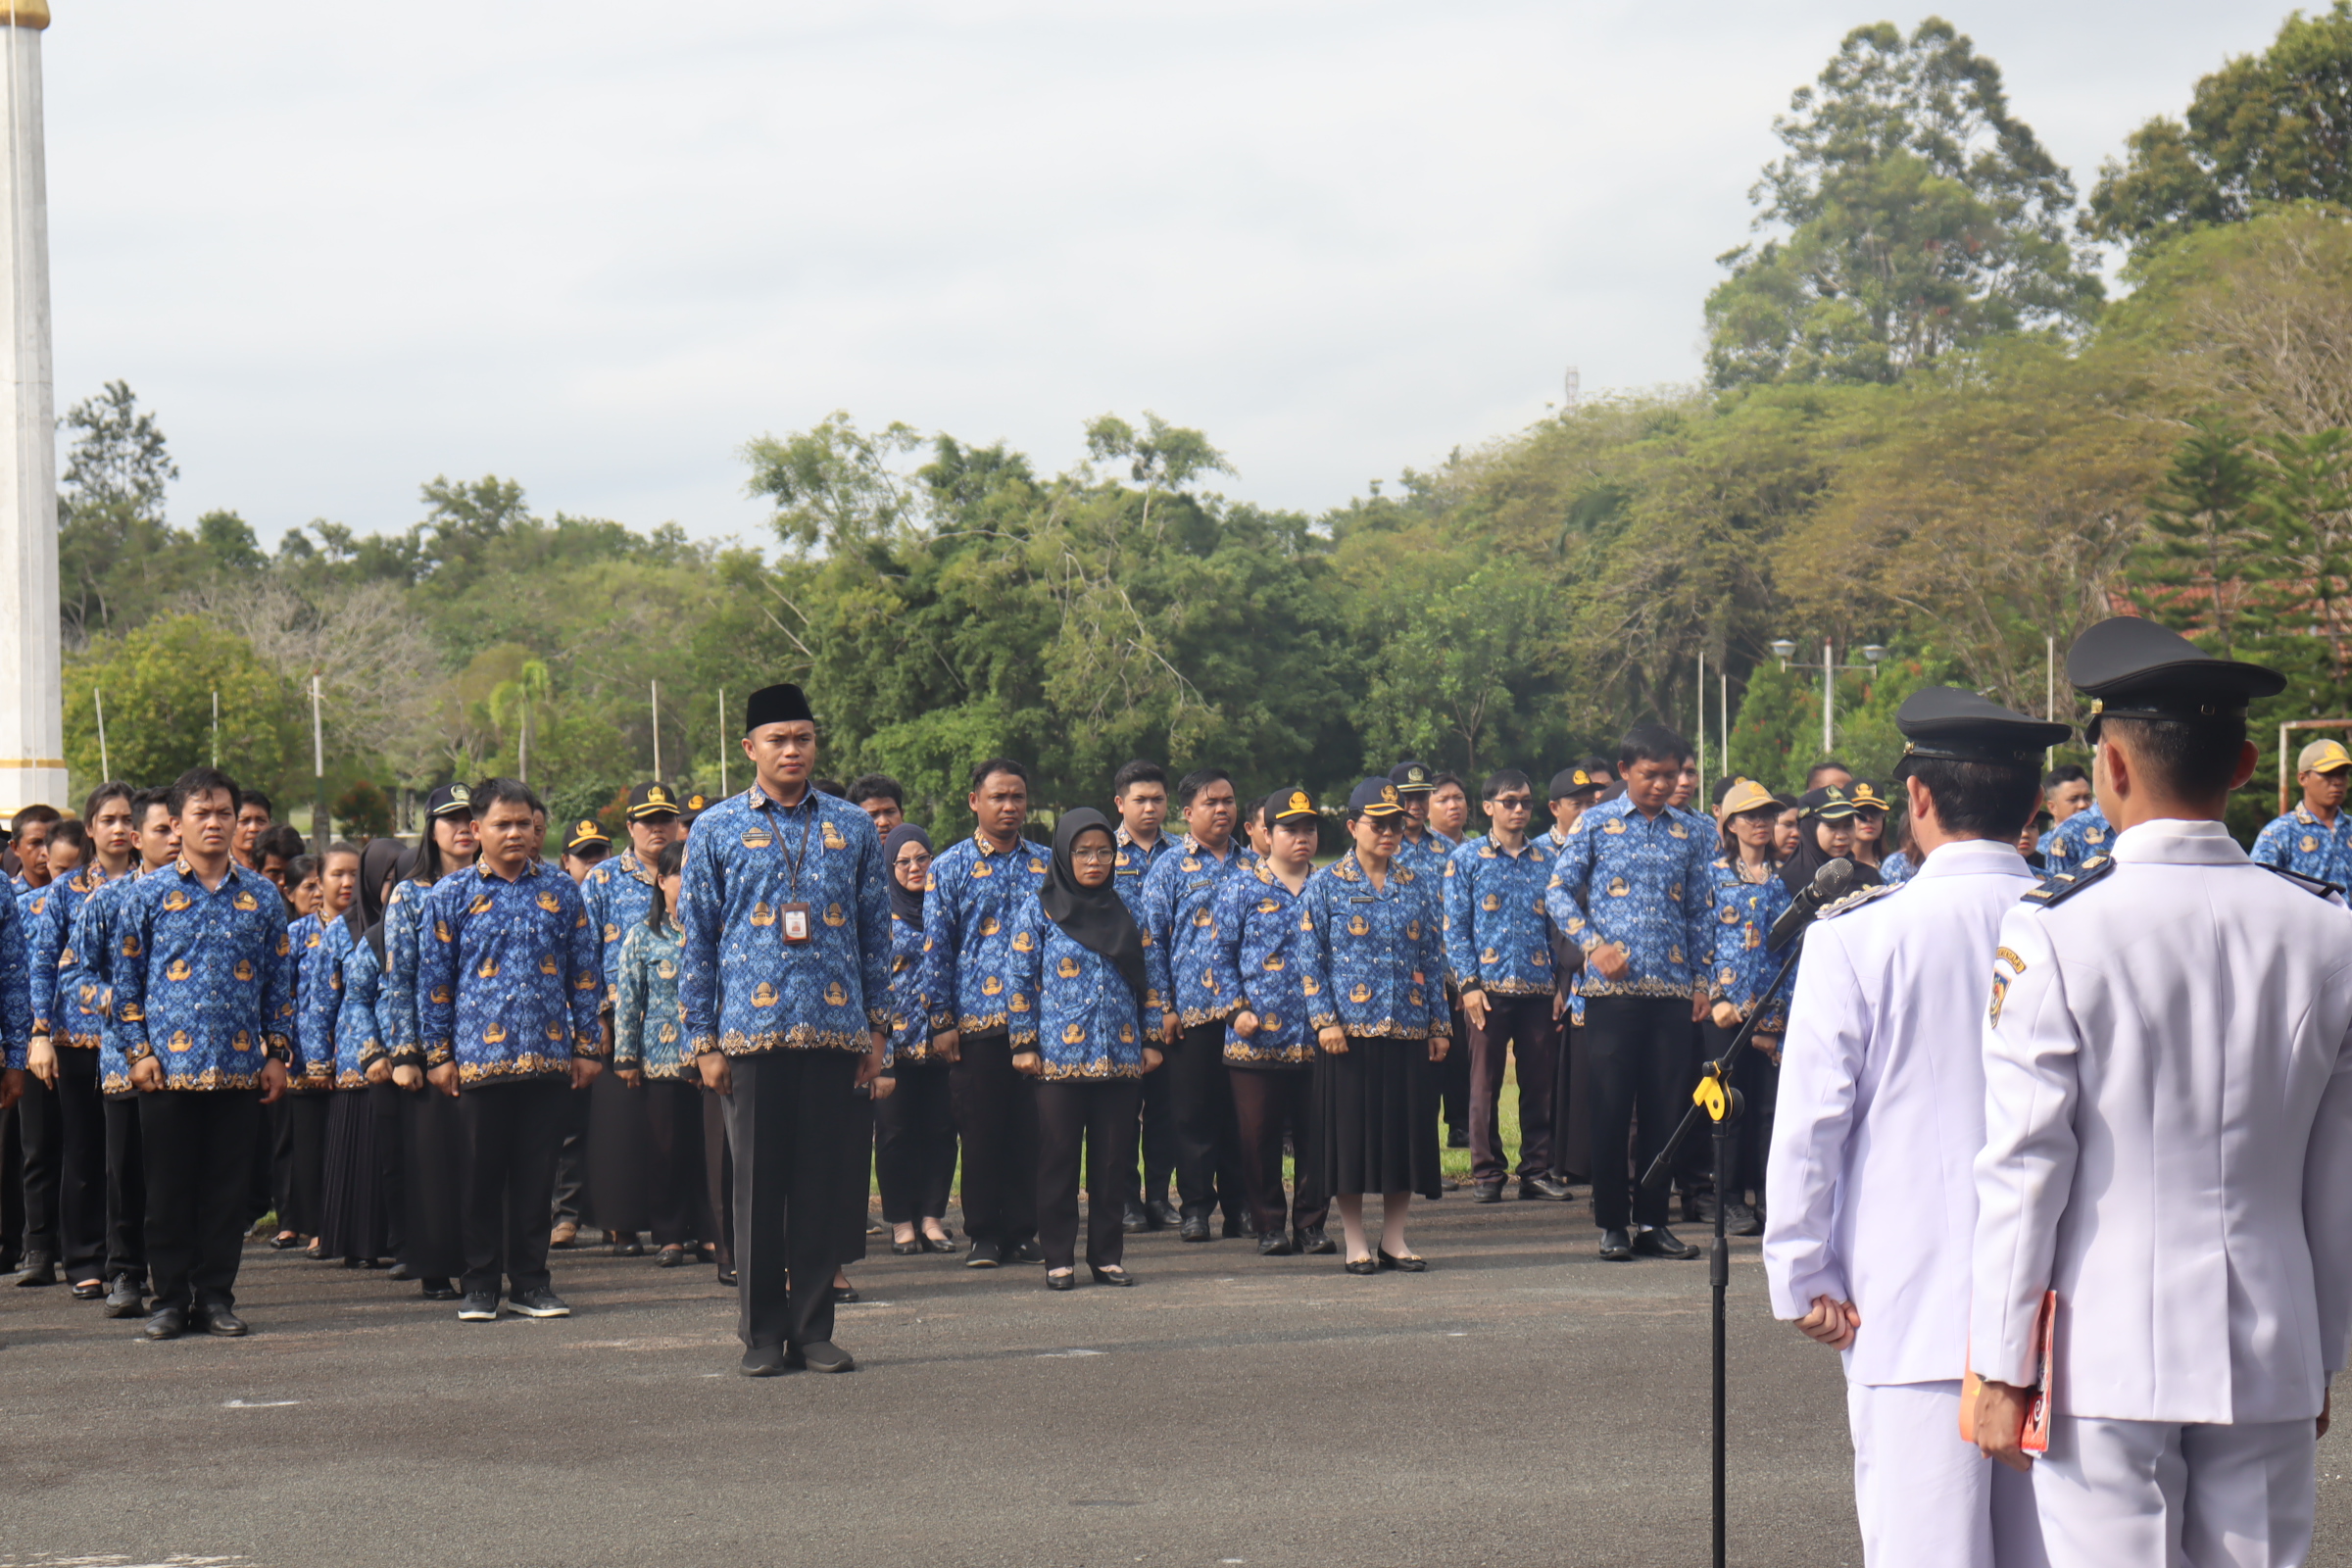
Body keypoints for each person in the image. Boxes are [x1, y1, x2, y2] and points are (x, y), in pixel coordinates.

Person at [1969, 617, 2352, 1567]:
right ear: (2247, 763)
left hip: (2108, 1344)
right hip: (2271, 1336)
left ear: (2111, 766)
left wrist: (1999, 1357)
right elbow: (2337, 1173)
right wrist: (2323, 1349)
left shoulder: (2055, 931)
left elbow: (2026, 1165)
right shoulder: (2325, 933)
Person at [1762, 689, 2064, 1568]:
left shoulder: (1859, 936)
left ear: (1918, 801)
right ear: (2030, 810)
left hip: (1906, 1304)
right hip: (2062, 1311)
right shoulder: (2079, 919)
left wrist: (1801, 1269)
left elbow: (1813, 1122)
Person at [680, 682, 894, 1376]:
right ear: (750, 749)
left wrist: (878, 1029)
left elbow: (873, 934)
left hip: (834, 1032)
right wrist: (703, 1040)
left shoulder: (852, 826)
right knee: (758, 1189)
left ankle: (814, 1328)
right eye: (778, 739)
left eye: (803, 737)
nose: (792, 749)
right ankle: (763, 1335)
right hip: (749, 1036)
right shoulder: (714, 829)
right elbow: (699, 942)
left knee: (824, 1185)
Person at [111, 766, 296, 1340]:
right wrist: (138, 1052)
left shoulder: (263, 896)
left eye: (224, 814)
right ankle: (168, 1299)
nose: (215, 823)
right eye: (202, 813)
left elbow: (279, 983)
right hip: (166, 1071)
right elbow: (127, 982)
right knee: (166, 1190)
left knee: (225, 1190)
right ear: (175, 823)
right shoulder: (147, 893)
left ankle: (215, 1296)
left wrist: (277, 1053)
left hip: (240, 1068)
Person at [416, 777, 605, 1322]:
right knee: (479, 1175)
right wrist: (438, 1055)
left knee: (536, 1175)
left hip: (548, 1058)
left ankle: (531, 1282)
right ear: (476, 830)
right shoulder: (450, 896)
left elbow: (585, 976)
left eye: (524, 823)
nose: (516, 833)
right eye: (503, 824)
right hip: (478, 1062)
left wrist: (589, 1046)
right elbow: (435, 983)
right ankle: (479, 1283)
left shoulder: (563, 890)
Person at [1544, 723, 1715, 1262]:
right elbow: (1558, 893)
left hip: (1670, 994)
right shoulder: (1594, 824)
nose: (1663, 785)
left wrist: (1702, 981)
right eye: (1651, 775)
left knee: (1667, 1110)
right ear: (1624, 772)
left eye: (1672, 775)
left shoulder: (1693, 833)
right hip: (1610, 996)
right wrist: (1594, 947)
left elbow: (1700, 911)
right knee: (1612, 1108)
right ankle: (1613, 1223)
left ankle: (1654, 1222)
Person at [1298, 778, 1449, 1273]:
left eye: (1395, 825)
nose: (1388, 833)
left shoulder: (1415, 884)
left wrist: (1438, 1024)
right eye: (1377, 824)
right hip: (1348, 1035)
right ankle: (1356, 1241)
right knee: (1351, 1141)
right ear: (1352, 826)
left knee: (1402, 1138)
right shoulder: (1326, 884)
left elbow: (1431, 954)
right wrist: (1325, 1022)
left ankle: (1395, 1239)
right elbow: (1310, 959)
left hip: (1406, 1030)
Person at [1008, 808, 1163, 1290]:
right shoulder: (1040, 907)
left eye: (1103, 852)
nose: (1094, 861)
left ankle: (1107, 1256)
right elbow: (1018, 980)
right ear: (1062, 854)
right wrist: (1024, 1042)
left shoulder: (1131, 907)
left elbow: (1153, 979)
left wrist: (1152, 1038)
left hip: (1120, 1058)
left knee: (1114, 1162)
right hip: (1058, 1060)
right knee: (1057, 1159)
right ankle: (1058, 1257)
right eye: (1082, 852)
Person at [923, 758, 1052, 1269]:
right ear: (975, 801)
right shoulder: (950, 866)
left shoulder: (1047, 863)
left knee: (1031, 1132)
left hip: (1039, 1025)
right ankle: (984, 1234)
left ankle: (1023, 1230)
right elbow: (937, 949)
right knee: (980, 1132)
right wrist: (942, 1021)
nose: (1009, 806)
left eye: (1018, 796)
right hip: (974, 1026)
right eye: (998, 797)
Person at [16, 782, 134, 1298]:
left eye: (126, 819)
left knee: (128, 1157)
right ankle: (83, 1257)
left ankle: (127, 1258)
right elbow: (42, 966)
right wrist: (39, 1033)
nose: (118, 828)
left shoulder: (151, 885)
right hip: (75, 1039)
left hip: (133, 1040)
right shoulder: (65, 892)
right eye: (107, 819)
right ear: (90, 829)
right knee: (81, 1152)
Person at [1140, 766, 1256, 1243]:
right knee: (1191, 1116)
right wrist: (1162, 1008)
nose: (1223, 809)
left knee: (1239, 1116)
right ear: (1188, 813)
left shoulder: (1253, 866)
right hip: (1190, 1016)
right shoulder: (1168, 867)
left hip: (1245, 1017)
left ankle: (1241, 1208)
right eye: (1212, 803)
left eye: (1228, 801)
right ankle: (1194, 1209)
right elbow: (1152, 942)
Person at [1443, 769, 1569, 1204]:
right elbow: (1455, 928)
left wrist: (1559, 985)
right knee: (1483, 1085)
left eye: (1525, 802)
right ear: (1489, 806)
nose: (1519, 809)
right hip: (1487, 993)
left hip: (1537, 990)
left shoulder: (1547, 860)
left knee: (1539, 1086)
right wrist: (1469, 984)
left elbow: (1558, 928)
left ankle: (1535, 1169)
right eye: (1510, 801)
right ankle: (1487, 1172)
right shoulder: (1468, 858)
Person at [1215, 788, 1333, 1254]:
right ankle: (1269, 1226)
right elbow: (1219, 957)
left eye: (1308, 828)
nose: (1301, 838)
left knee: (1317, 1137)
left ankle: (1312, 1224)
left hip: (1320, 1037)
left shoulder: (1328, 887)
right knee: (1258, 1138)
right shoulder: (1240, 887)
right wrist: (1235, 1009)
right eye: (1289, 829)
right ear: (1266, 833)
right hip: (1256, 1041)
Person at [77, 788, 179, 1318]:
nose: (175, 838)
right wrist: (118, 999)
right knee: (127, 1172)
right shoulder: (109, 901)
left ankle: (179, 1281)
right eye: (163, 829)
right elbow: (78, 973)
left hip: (188, 1066)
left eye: (177, 827)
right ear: (139, 839)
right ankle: (125, 1274)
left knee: (176, 1177)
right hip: (125, 1062)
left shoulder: (198, 897)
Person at [382, 783, 478, 1302]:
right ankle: (438, 1265)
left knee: (483, 1160)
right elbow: (401, 977)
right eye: (450, 819)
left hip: (491, 1046)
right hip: (429, 1048)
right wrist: (406, 1053)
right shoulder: (411, 893)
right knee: (436, 1164)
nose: (462, 828)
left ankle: (483, 1262)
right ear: (432, 829)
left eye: (469, 818)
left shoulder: (501, 885)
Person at [576, 782, 682, 1251]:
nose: (656, 828)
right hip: (617, 1019)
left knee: (672, 1133)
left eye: (665, 819)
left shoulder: (691, 869)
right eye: (647, 821)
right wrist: (596, 1016)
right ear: (630, 827)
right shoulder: (601, 879)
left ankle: (678, 1228)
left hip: (676, 1023)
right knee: (619, 1132)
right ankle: (621, 1224)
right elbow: (583, 953)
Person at [611, 839, 715, 1269]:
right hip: (660, 1061)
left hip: (712, 1060)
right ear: (661, 879)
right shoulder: (642, 936)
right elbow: (629, 1000)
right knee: (666, 1151)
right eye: (678, 873)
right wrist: (626, 1057)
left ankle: (711, 1234)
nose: (686, 881)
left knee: (710, 1152)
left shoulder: (716, 930)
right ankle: (670, 1236)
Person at [1706, 780, 1793, 1237]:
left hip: (1776, 1012)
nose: (1760, 823)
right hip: (1725, 1013)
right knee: (1729, 1108)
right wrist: (1715, 997)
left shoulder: (1788, 879)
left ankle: (1769, 1197)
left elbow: (1797, 949)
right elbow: (1698, 940)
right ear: (1730, 824)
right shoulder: (1712, 874)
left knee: (1770, 1111)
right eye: (1750, 816)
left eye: (1767, 815)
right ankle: (1730, 1199)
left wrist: (1789, 1018)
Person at [874, 823, 955, 1256]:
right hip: (894, 1047)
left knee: (941, 1132)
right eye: (903, 862)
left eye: (922, 858)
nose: (914, 868)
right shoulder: (879, 916)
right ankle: (901, 1221)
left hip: (942, 1043)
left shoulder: (945, 909)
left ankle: (933, 1218)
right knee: (894, 1134)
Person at [312, 843, 392, 1268]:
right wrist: (319, 1060)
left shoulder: (411, 924)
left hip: (398, 1060)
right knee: (358, 1156)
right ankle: (358, 1243)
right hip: (353, 1060)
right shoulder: (342, 930)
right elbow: (322, 1001)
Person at [1109, 759, 1180, 1233]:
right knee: (1119, 1106)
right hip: (1118, 996)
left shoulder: (1179, 854)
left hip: (1171, 997)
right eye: (1140, 799)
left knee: (1166, 1105)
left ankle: (1159, 1195)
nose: (1150, 807)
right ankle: (1125, 1198)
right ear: (1120, 803)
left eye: (1157, 799)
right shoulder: (1099, 853)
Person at [2251, 737, 2352, 887]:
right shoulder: (2280, 832)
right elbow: (2256, 889)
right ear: (2303, 778)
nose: (2337, 782)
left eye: (2342, 774)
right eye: (2328, 774)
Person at [2035, 763, 2092, 855]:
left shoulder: (2108, 840)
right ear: (2053, 807)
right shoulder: (2041, 851)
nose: (2083, 805)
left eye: (2087, 797)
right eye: (2073, 799)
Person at [12, 803, 59, 900]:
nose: (45, 852)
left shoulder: (81, 892)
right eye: (36, 843)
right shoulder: (5, 895)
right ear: (15, 847)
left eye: (52, 842)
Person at [1846, 780, 1891, 870]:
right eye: (1860, 812)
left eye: (1875, 812)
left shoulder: (1893, 867)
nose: (1869, 819)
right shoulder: (1832, 869)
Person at [232, 792, 273, 871]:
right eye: (244, 821)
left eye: (261, 821)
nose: (253, 828)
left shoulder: (282, 867)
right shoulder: (217, 867)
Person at [560, 817, 611, 881]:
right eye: (583, 853)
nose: (593, 860)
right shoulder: (554, 890)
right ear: (566, 861)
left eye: (599, 852)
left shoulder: (624, 888)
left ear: (610, 855)